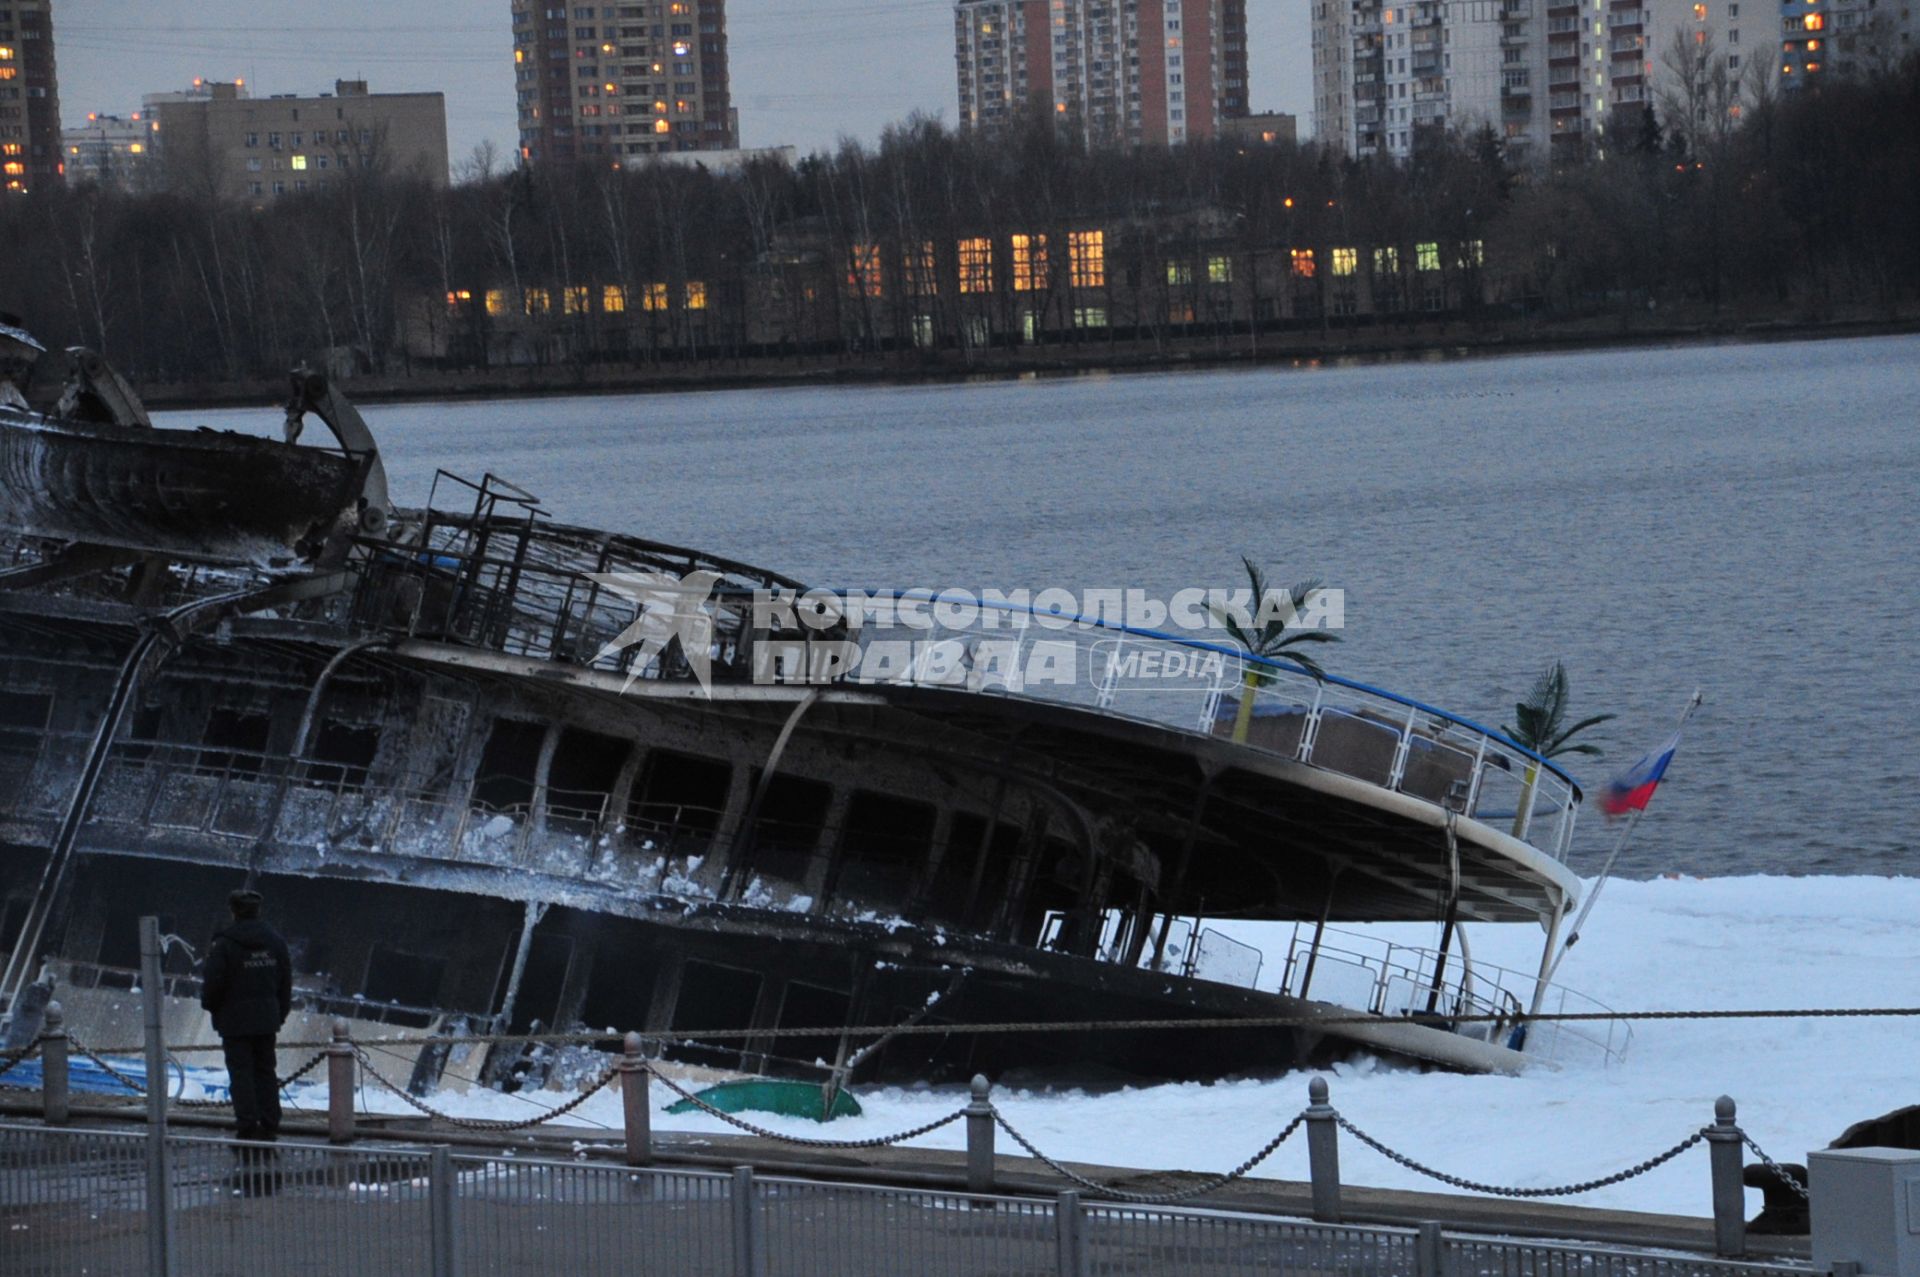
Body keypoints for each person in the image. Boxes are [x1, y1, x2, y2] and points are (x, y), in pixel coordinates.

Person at [200, 889, 293, 1151]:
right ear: (257, 910)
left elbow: (213, 983)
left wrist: (211, 1006)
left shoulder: (225, 944)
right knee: (265, 1070)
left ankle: (247, 1124)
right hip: (266, 1019)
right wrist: (279, 1013)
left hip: (234, 1020)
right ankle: (271, 1120)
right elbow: (285, 982)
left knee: (241, 1073)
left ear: (234, 911)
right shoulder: (275, 942)